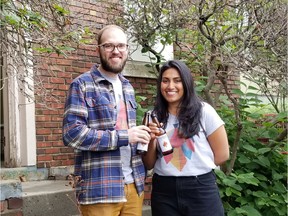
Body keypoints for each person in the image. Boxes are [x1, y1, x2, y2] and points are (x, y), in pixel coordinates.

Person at [62, 24, 151, 216]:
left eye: (121, 46)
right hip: (100, 187)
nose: (116, 51)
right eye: (109, 45)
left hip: (133, 185)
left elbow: (130, 134)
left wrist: (144, 135)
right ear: (99, 50)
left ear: (127, 49)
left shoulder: (128, 87)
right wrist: (125, 136)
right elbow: (72, 134)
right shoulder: (82, 84)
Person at [142, 60, 230, 216]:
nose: (170, 86)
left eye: (177, 81)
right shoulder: (153, 116)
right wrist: (152, 139)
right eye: (165, 81)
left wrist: (196, 167)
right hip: (164, 191)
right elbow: (148, 163)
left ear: (187, 83)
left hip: (201, 188)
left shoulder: (204, 112)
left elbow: (223, 154)